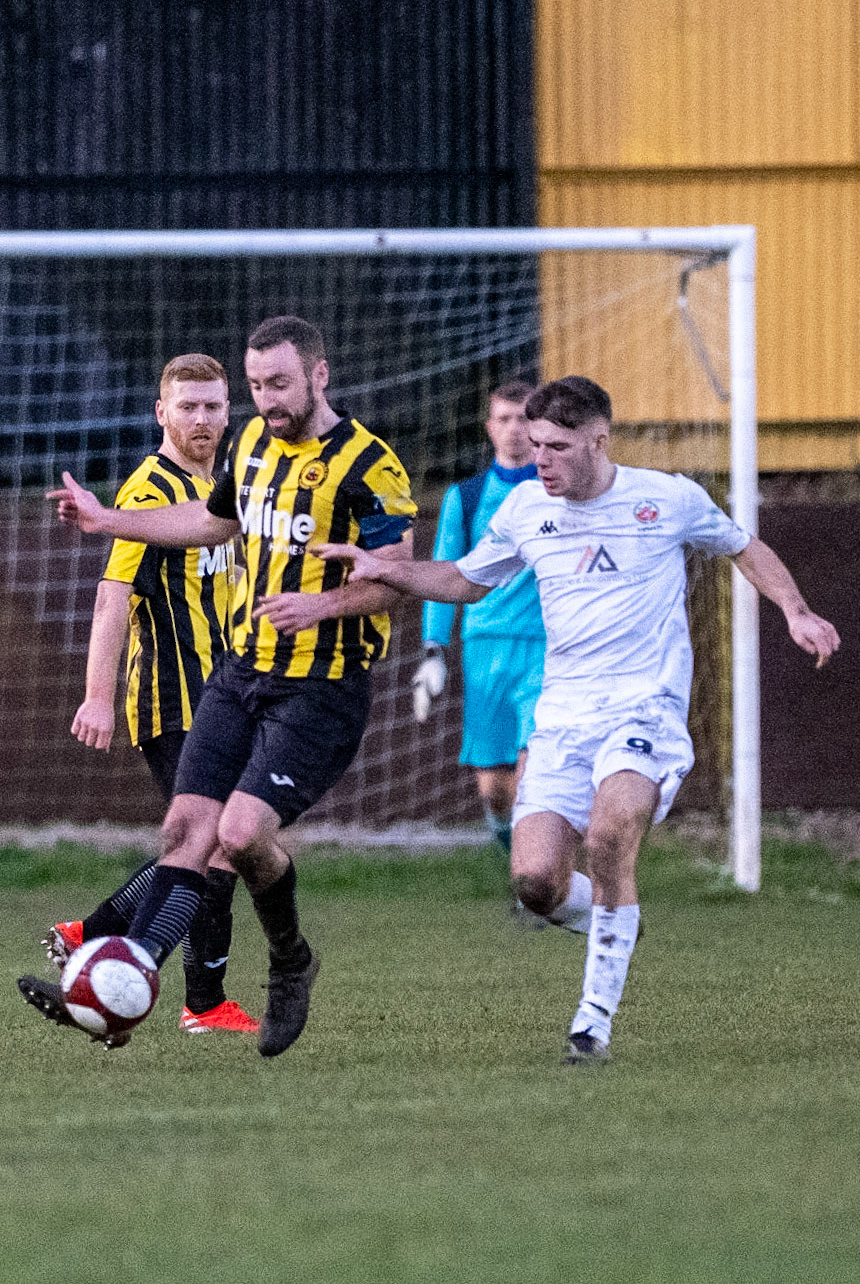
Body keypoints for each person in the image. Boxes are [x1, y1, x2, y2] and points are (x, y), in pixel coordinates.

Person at [313, 375, 840, 1066]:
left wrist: (796, 610)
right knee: (536, 884)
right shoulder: (527, 508)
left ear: (599, 440)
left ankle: (591, 1025)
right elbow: (467, 580)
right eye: (535, 446)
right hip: (560, 720)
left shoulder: (667, 498)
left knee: (610, 832)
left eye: (557, 448)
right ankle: (614, 919)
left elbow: (744, 546)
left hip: (643, 710)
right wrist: (385, 571)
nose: (541, 461)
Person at [21, 315, 416, 1058]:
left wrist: (323, 604)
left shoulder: (370, 464)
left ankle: (288, 960)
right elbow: (210, 522)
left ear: (320, 375)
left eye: (279, 385)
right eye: (258, 385)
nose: (266, 401)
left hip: (320, 685)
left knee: (238, 838)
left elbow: (400, 574)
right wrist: (110, 518)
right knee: (186, 833)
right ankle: (123, 982)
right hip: (236, 676)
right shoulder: (253, 449)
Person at [46, 353, 258, 1034]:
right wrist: (97, 695)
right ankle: (204, 1002)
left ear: (230, 410)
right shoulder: (149, 489)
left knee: (212, 840)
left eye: (213, 406)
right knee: (217, 844)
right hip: (172, 698)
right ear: (161, 413)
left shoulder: (223, 486)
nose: (202, 419)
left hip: (224, 694)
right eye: (188, 406)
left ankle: (93, 933)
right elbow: (114, 597)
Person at [414, 381, 545, 857]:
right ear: (489, 427)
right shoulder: (466, 497)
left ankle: (536, 875)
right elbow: (445, 573)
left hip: (546, 649)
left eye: (525, 419)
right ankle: (516, 861)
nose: (515, 429)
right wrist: (434, 651)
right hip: (484, 649)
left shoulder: (556, 493)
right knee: (494, 788)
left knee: (536, 772)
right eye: (505, 419)